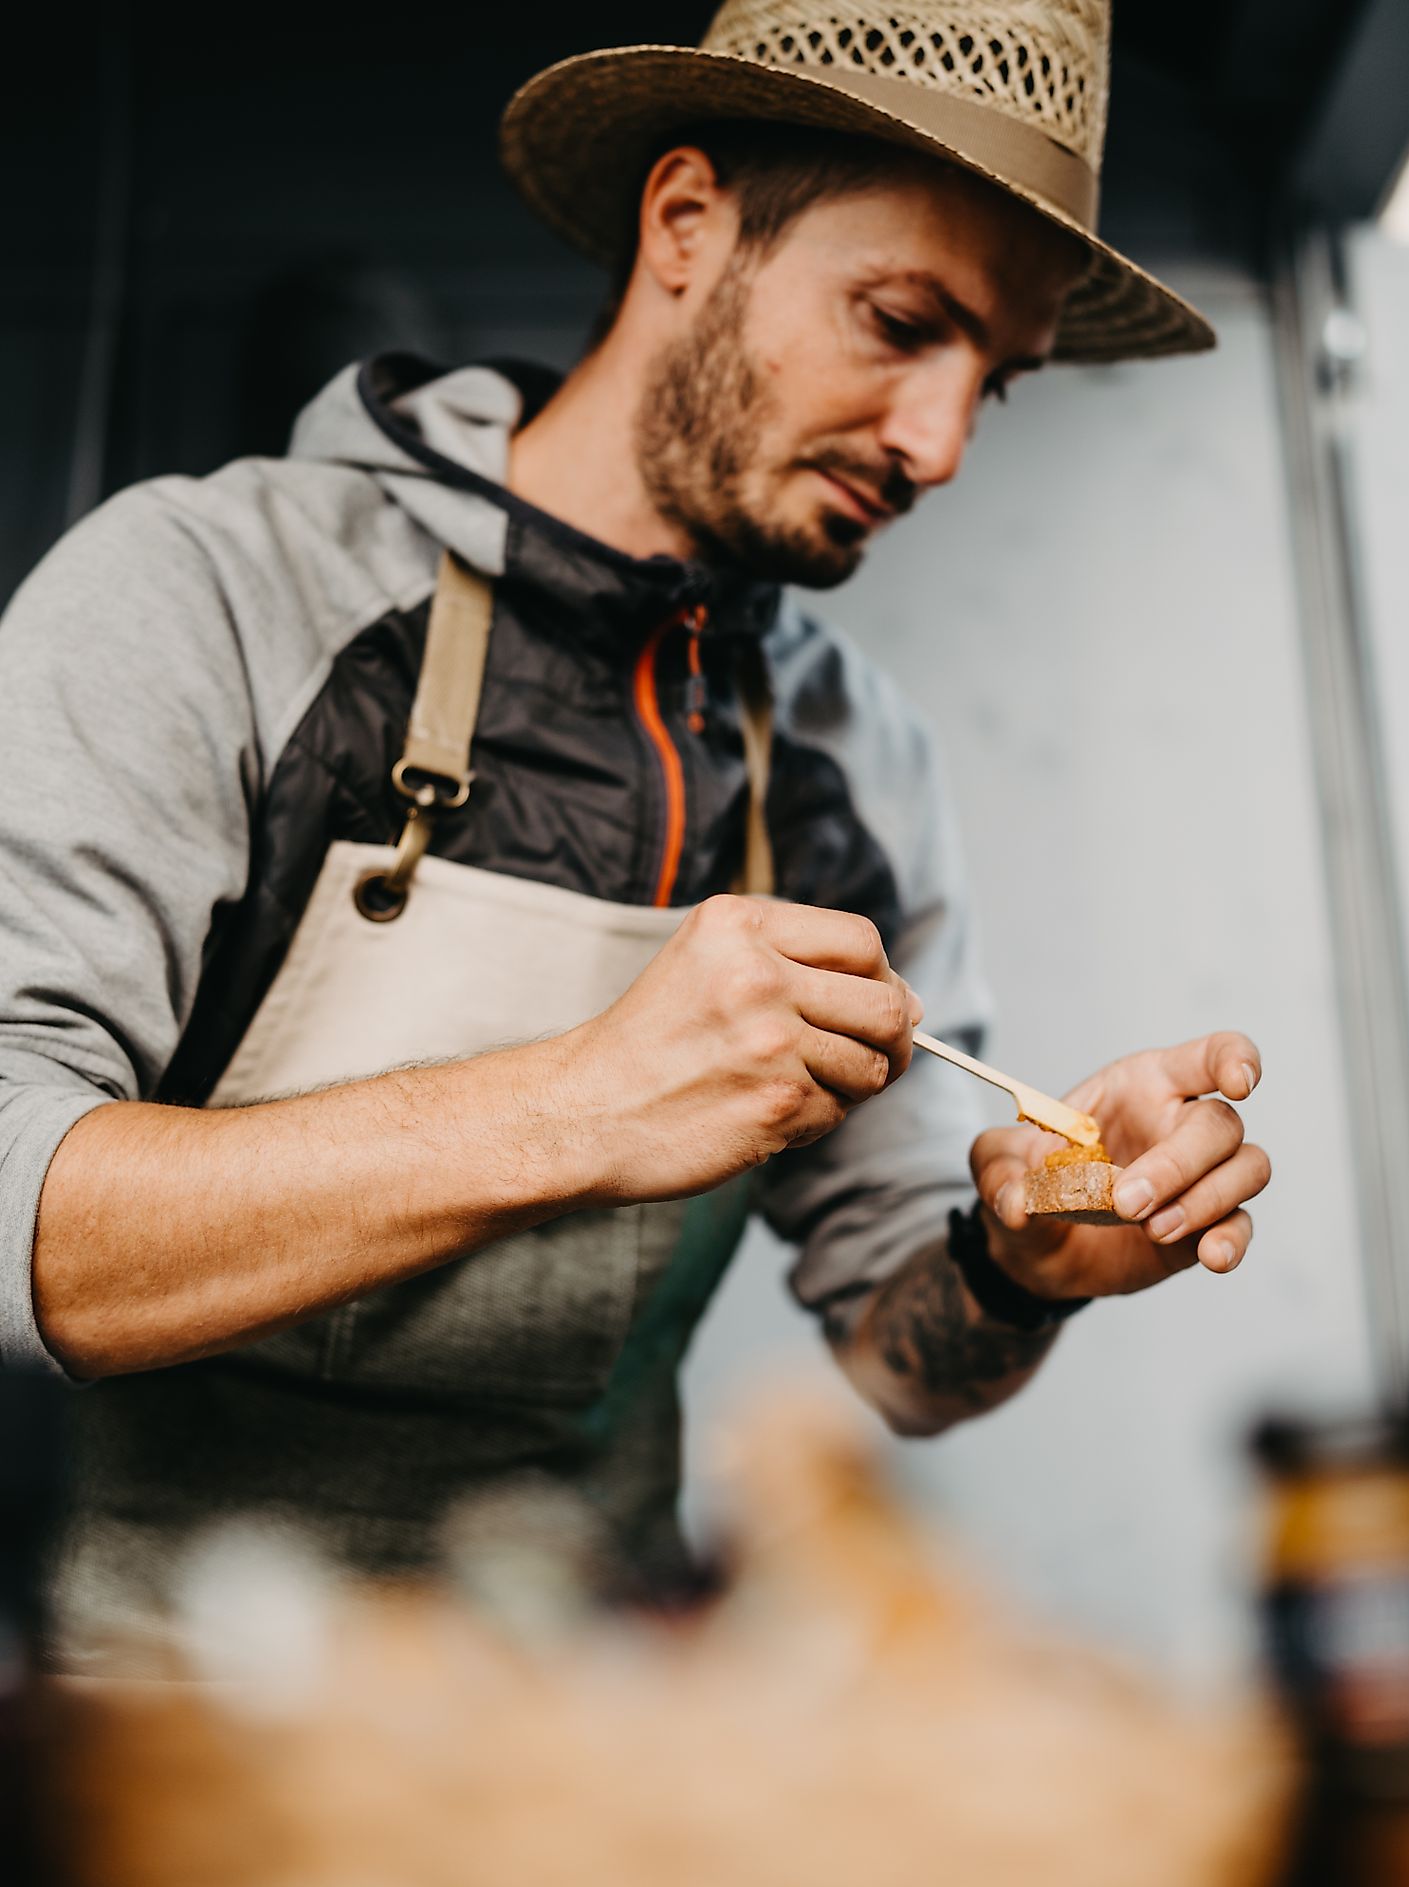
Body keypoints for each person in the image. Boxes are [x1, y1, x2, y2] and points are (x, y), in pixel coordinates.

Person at [0, 0, 1271, 1658]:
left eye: (996, 385)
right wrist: (581, 1105)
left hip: (595, 1735)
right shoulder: (206, 597)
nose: (940, 443)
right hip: (163, 1728)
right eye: (900, 323)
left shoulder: (849, 767)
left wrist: (1028, 1263)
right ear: (687, 224)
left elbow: (904, 1356)